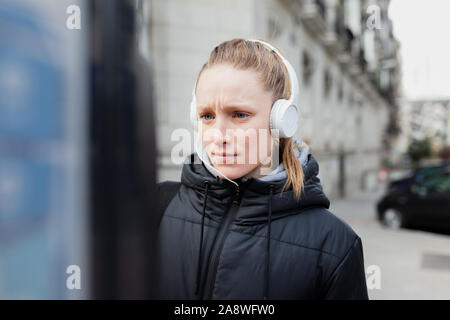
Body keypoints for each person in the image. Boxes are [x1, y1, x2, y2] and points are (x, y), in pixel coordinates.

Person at [153, 38, 369, 300]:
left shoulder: (335, 245)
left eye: (239, 114)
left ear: (281, 120)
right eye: (207, 116)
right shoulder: (156, 206)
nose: (218, 135)